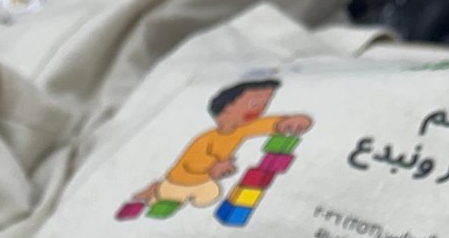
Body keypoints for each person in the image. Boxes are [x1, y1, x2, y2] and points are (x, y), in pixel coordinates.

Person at [130, 80, 313, 212]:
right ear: (226, 109)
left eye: (265, 103)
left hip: (204, 181)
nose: (259, 110)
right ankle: (155, 189)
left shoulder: (240, 129)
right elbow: (189, 164)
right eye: (254, 103)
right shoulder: (206, 139)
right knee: (169, 198)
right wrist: (213, 167)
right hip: (181, 178)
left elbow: (262, 124)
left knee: (209, 196)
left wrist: (286, 122)